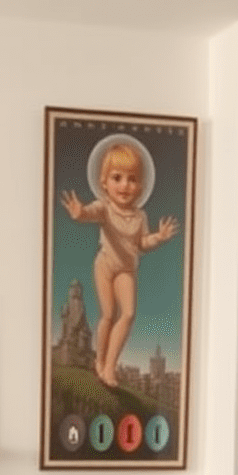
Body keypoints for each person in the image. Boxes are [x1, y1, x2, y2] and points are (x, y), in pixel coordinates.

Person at [60, 138, 179, 388]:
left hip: (127, 268)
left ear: (141, 185)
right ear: (104, 182)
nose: (125, 185)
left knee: (129, 313)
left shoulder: (140, 216)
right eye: (117, 178)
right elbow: (89, 214)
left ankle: (109, 367)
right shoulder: (104, 207)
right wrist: (79, 213)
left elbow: (141, 244)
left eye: (132, 179)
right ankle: (100, 362)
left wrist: (159, 236)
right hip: (104, 265)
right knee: (108, 314)